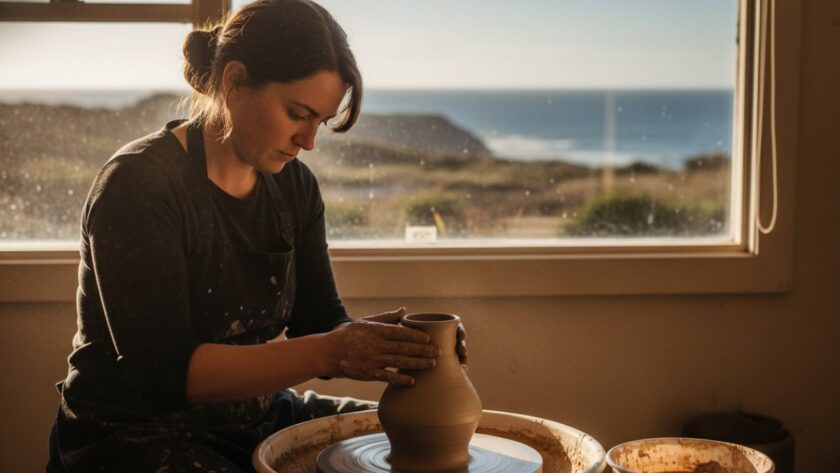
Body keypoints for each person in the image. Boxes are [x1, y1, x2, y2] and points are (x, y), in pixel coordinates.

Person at [47, 1, 466, 471]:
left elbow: (318, 320)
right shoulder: (138, 185)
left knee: (403, 435)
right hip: (130, 432)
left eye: (320, 123)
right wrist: (335, 349)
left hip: (256, 415)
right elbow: (162, 375)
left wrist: (392, 344)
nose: (308, 141)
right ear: (234, 81)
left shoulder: (295, 186)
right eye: (297, 114)